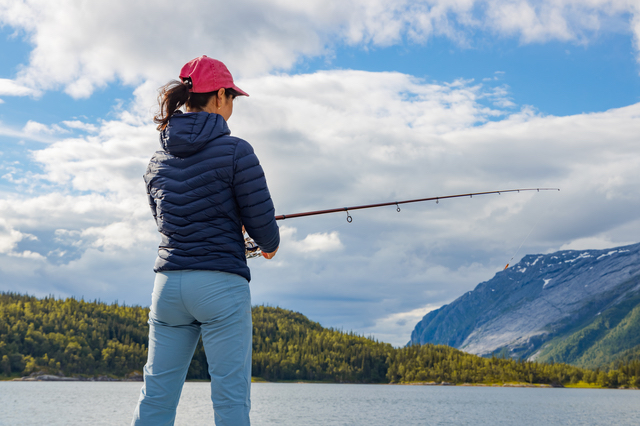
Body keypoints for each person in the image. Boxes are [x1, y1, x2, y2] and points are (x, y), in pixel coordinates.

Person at [132, 55, 280, 426]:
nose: (232, 107)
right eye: (232, 98)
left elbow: (165, 221)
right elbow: (263, 226)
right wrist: (268, 245)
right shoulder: (236, 151)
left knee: (156, 398)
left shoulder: (156, 160)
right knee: (230, 401)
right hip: (220, 286)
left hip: (167, 287)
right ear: (218, 96)